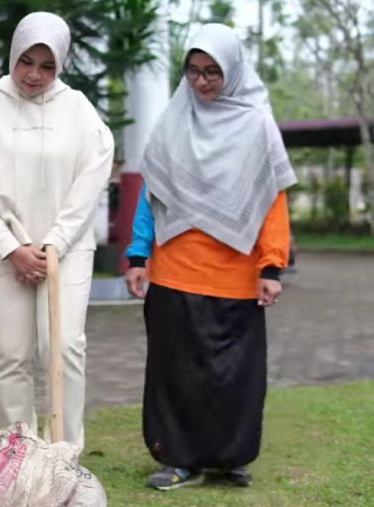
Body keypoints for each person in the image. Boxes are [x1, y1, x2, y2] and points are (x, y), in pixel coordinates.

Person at [124, 24, 296, 490]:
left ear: (233, 72)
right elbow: (151, 196)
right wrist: (139, 256)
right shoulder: (172, 121)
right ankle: (177, 459)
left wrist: (271, 266)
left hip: (236, 278)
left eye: (213, 73)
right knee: (174, 374)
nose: (201, 82)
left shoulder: (257, 125)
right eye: (194, 72)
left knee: (233, 377)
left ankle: (226, 457)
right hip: (175, 273)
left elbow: (271, 203)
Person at [0, 12, 114, 450]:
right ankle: (19, 454)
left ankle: (65, 453)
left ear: (60, 64)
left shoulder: (78, 110)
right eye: (26, 61)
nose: (34, 75)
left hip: (68, 248)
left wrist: (54, 244)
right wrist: (12, 247)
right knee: (9, 354)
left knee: (64, 349)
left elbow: (90, 177)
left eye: (47, 65)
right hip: (5, 250)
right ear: (13, 54)